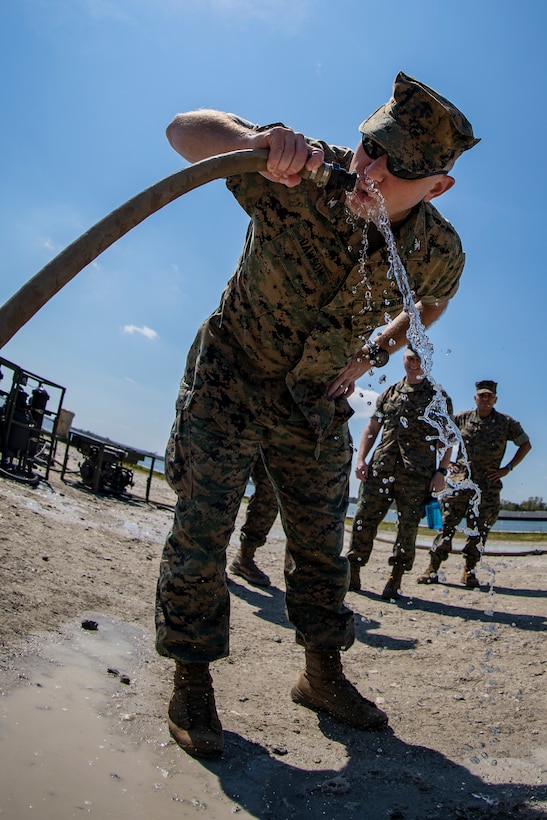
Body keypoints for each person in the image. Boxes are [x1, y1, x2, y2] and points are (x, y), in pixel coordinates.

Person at [155, 71, 479, 758]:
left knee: (318, 545)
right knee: (201, 526)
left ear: (437, 186)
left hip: (313, 403)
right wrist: (250, 141)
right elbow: (182, 130)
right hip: (231, 376)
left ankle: (322, 674)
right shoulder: (300, 173)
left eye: (400, 165)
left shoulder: (436, 250)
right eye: (370, 146)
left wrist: (370, 354)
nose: (372, 169)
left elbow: (431, 305)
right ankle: (191, 676)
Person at [347, 346, 453, 600]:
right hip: (381, 467)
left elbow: (449, 439)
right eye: (409, 358)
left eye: (418, 358)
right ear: (403, 360)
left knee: (407, 528)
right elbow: (372, 428)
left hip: (417, 475)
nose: (413, 362)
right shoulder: (390, 392)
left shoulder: (438, 396)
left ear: (425, 362)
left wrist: (441, 472)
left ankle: (395, 579)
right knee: (363, 518)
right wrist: (361, 459)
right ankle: (353, 571)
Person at [417, 380, 531, 587]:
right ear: (475, 398)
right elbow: (443, 437)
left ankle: (469, 572)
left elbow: (526, 443)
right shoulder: (462, 418)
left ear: (495, 399)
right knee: (447, 526)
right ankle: (432, 568)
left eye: (490, 396)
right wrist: (447, 462)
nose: (485, 399)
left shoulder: (506, 423)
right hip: (461, 483)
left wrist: (508, 468)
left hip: (487, 485)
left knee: (479, 531)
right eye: (482, 395)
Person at [229, 452, 278, 587]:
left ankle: (245, 557)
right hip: (235, 436)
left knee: (271, 494)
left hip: (271, 440)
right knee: (226, 487)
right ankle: (213, 563)